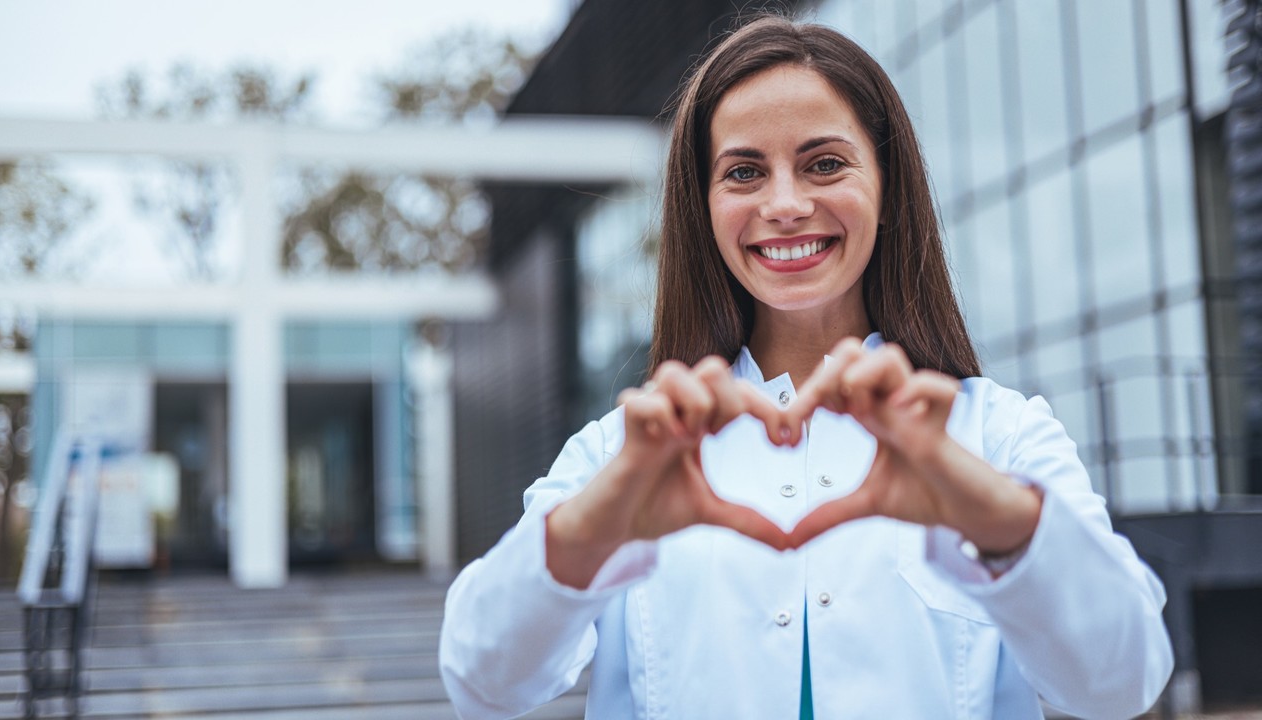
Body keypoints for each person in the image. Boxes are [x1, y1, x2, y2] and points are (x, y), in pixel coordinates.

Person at [439, 15, 1173, 720]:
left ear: (888, 190)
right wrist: (599, 524)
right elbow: (481, 682)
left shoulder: (999, 436)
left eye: (824, 164)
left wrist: (989, 512)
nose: (785, 204)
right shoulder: (620, 457)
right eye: (744, 172)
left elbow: (1122, 681)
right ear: (704, 208)